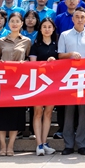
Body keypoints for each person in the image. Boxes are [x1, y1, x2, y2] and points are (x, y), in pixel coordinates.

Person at [58, 8, 85, 155]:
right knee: (69, 112)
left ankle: (81, 144)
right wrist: (70, 54)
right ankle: (68, 144)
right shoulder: (64, 35)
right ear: (72, 19)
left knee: (83, 112)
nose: (80, 19)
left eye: (82, 17)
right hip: (69, 77)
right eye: (77, 17)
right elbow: (59, 55)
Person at [0, 12, 33, 156]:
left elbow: (29, 59)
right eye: (12, 21)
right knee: (1, 115)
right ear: (8, 23)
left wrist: (25, 63)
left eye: (17, 21)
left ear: (22, 24)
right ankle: (2, 145)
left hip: (18, 83)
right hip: (3, 82)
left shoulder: (27, 41)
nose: (15, 24)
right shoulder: (1, 41)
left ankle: (11, 145)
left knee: (15, 115)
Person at [29, 17, 60, 156]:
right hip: (39, 82)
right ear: (40, 29)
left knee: (48, 113)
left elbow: (62, 62)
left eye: (49, 27)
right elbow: (33, 65)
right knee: (38, 112)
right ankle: (39, 144)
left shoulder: (57, 45)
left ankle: (45, 142)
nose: (47, 29)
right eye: (44, 27)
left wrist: (55, 61)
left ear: (53, 29)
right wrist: (46, 63)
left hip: (53, 83)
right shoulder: (35, 45)